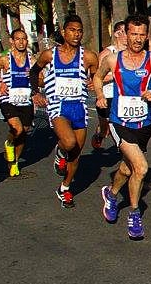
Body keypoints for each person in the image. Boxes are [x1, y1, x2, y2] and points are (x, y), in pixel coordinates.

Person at [94, 12, 151, 240]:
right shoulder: (113, 60)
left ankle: (111, 194)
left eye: (142, 35)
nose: (137, 39)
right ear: (126, 34)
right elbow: (97, 77)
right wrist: (100, 95)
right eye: (133, 34)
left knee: (127, 167)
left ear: (147, 36)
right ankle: (134, 214)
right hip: (119, 121)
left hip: (144, 124)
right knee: (140, 168)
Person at [29, 15, 100, 209]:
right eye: (72, 30)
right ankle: (60, 151)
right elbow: (33, 72)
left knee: (76, 154)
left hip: (79, 107)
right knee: (68, 143)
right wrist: (35, 92)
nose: (76, 34)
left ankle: (65, 188)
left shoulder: (89, 57)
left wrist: (95, 83)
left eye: (79, 31)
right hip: (58, 106)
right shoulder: (49, 55)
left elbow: (97, 76)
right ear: (63, 32)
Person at [0, 28, 35, 178]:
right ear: (12, 41)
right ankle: (9, 143)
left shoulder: (32, 60)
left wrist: (35, 79)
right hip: (8, 98)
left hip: (26, 99)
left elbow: (41, 78)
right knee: (17, 128)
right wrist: (0, 82)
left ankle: (14, 162)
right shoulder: (5, 58)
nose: (21, 42)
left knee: (23, 132)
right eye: (17, 39)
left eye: (24, 39)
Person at [92, 19, 127, 150]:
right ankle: (100, 133)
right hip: (107, 96)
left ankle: (123, 149)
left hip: (124, 96)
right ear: (117, 34)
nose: (128, 35)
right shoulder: (107, 53)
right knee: (106, 129)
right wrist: (116, 75)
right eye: (125, 32)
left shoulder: (131, 54)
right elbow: (98, 77)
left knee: (120, 126)